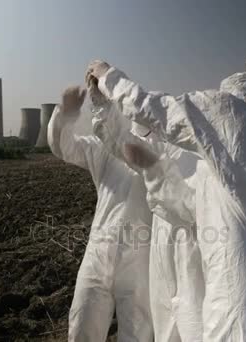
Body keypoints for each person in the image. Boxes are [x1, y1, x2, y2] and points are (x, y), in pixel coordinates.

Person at [86, 61, 246, 341]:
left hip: (234, 274)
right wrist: (103, 110)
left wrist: (108, 77)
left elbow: (155, 108)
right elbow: (188, 204)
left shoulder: (229, 114)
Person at [88, 85, 204, 342]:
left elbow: (187, 204)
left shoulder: (195, 152)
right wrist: (101, 107)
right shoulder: (161, 146)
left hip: (187, 256)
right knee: (163, 327)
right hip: (161, 254)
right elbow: (120, 142)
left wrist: (153, 172)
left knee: (189, 325)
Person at [47, 86, 153, 342]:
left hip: (142, 259)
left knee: (136, 333)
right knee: (83, 325)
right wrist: (65, 115)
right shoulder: (104, 148)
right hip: (99, 250)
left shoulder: (161, 152)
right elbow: (65, 148)